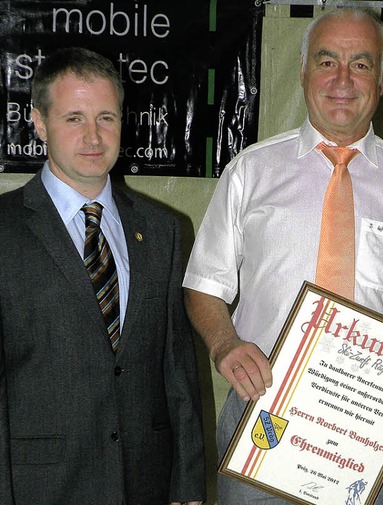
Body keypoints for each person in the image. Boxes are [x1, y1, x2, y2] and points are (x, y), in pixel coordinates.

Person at [183, 7, 383, 505]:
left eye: (362, 64)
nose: (343, 79)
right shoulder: (250, 172)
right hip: (264, 412)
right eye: (327, 61)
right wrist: (223, 345)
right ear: (304, 70)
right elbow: (204, 284)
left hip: (379, 430)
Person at [0, 47, 206, 504]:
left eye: (106, 118)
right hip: (40, 488)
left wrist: (188, 485)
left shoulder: (162, 229)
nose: (93, 136)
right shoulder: (4, 229)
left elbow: (177, 371)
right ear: (38, 122)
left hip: (144, 485)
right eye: (73, 118)